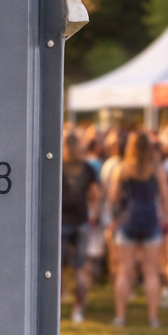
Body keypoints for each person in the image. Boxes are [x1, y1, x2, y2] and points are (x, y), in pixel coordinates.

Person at [110, 129, 168, 329]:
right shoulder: (157, 169)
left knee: (124, 271)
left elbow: (114, 197)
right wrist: (165, 217)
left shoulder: (122, 168)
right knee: (151, 271)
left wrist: (116, 216)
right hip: (150, 221)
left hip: (128, 221)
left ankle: (120, 316)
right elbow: (165, 198)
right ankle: (153, 317)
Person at [60, 132, 99, 323]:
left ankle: (57, 307)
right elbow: (95, 194)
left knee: (57, 269)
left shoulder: (58, 166)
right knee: (80, 269)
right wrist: (93, 212)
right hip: (81, 220)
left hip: (61, 222)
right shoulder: (86, 168)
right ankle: (78, 310)